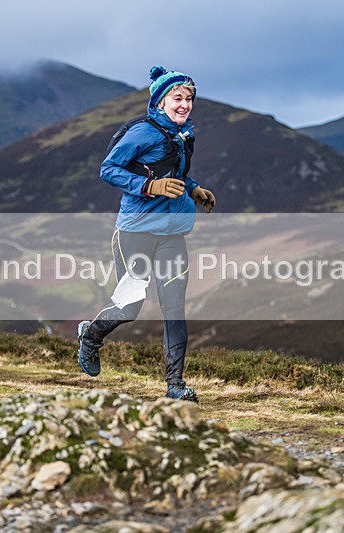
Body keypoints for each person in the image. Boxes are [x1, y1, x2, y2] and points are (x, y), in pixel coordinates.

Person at [76, 66, 216, 403]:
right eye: (178, 98)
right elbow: (108, 169)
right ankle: (91, 337)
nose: (185, 105)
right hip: (134, 233)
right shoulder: (142, 133)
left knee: (174, 309)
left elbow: (174, 172)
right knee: (130, 306)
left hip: (172, 235)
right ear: (161, 100)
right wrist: (149, 186)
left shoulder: (184, 136)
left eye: (189, 99)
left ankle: (175, 387)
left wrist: (194, 189)